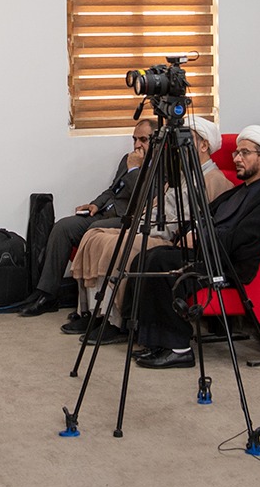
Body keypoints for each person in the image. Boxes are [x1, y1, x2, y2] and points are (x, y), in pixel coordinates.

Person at [129, 125, 260, 369]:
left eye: (244, 153)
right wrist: (189, 232)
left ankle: (179, 348)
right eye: (236, 153)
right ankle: (155, 341)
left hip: (229, 265)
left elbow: (246, 240)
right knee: (147, 257)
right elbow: (205, 214)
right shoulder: (242, 190)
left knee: (161, 264)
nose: (236, 159)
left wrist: (200, 239)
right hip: (209, 253)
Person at [65, 116, 233, 339]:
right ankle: (93, 313)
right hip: (147, 226)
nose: (179, 146)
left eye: (186, 139)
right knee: (93, 235)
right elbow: (152, 204)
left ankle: (116, 321)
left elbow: (190, 223)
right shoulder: (182, 175)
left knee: (118, 245)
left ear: (204, 146)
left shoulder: (214, 179)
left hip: (168, 239)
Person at [22, 119, 154, 316]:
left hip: (129, 218)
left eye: (143, 140)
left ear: (156, 140)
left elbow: (146, 199)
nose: (136, 145)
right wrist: (95, 204)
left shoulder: (162, 166)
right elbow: (113, 189)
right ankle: (47, 294)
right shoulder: (128, 159)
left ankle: (86, 306)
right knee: (63, 227)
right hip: (106, 212)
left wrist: (134, 169)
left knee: (94, 230)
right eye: (134, 139)